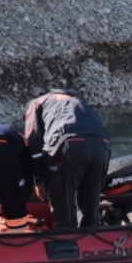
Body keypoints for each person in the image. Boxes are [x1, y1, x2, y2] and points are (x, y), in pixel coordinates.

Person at [24, 89, 110, 229]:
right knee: (91, 202)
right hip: (102, 145)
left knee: (63, 203)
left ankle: (66, 240)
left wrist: (39, 180)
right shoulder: (80, 101)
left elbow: (33, 141)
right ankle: (90, 240)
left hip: (68, 144)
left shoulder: (36, 103)